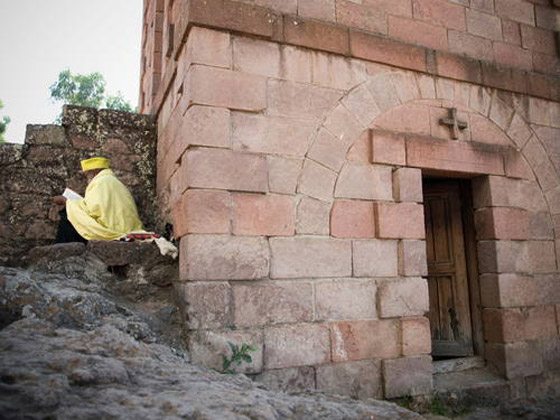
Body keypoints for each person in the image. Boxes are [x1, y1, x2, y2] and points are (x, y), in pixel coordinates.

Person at [52, 157, 144, 243]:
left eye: (87, 175)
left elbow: (93, 211)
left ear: (95, 171)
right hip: (124, 228)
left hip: (113, 231)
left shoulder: (101, 182)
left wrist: (67, 201)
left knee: (68, 217)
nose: (87, 178)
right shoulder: (112, 181)